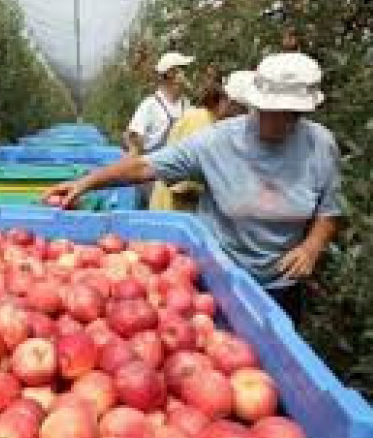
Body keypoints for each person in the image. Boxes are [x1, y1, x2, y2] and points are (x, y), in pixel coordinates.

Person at [45, 53, 342, 324]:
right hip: (218, 280)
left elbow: (328, 211)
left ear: (303, 112)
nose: (275, 119)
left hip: (281, 287)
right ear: (254, 102)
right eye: (267, 109)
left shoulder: (321, 146)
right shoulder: (219, 141)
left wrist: (311, 246)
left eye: (289, 112)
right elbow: (145, 166)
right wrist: (85, 183)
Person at [149, 81, 248, 211]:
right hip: (174, 214)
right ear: (227, 102)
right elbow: (183, 187)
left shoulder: (219, 126)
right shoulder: (199, 122)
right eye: (243, 109)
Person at [124, 52, 194, 207]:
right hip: (153, 175)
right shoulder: (150, 105)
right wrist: (130, 173)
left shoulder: (187, 105)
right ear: (171, 74)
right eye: (184, 69)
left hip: (178, 174)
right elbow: (133, 141)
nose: (188, 74)